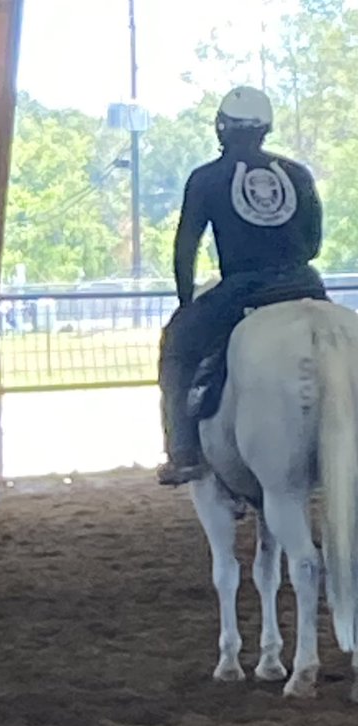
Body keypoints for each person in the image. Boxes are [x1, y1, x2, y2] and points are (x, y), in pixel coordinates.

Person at [157, 86, 328, 486]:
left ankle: (181, 451)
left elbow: (186, 248)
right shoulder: (296, 173)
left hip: (243, 290)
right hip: (305, 282)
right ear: (265, 129)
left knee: (177, 348)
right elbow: (314, 244)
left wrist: (186, 305)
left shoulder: (205, 178)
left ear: (222, 129)